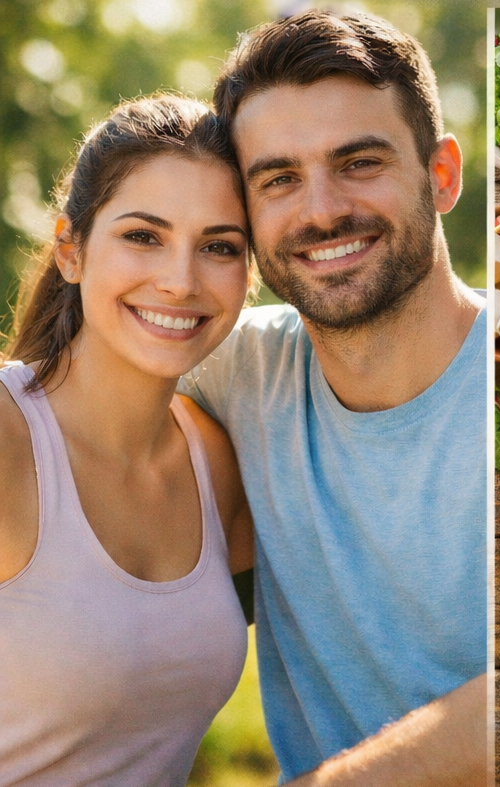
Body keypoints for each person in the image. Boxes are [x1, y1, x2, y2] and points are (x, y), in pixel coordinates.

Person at [178, 10, 488, 785]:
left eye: (359, 162)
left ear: (441, 175)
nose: (320, 210)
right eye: (278, 179)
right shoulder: (238, 368)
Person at [0, 95, 255, 785]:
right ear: (71, 249)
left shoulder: (216, 462)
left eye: (220, 246)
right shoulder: (8, 439)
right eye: (144, 235)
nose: (180, 280)